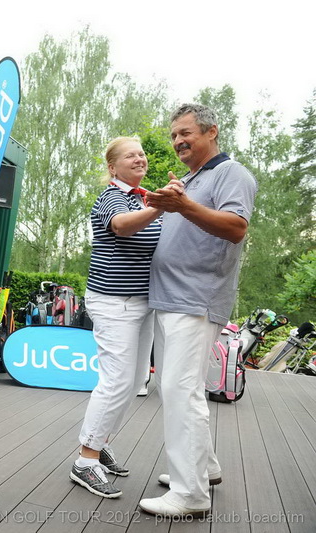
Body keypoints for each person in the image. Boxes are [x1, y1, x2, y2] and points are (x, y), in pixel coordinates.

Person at [138, 103, 257, 518]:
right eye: (174, 135)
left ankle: (190, 494)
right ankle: (204, 469)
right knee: (180, 387)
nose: (178, 141)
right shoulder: (191, 178)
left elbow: (236, 228)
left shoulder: (231, 173)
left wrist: (182, 206)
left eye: (185, 133)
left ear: (211, 132)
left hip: (195, 298)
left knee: (179, 389)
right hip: (172, 298)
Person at [69, 137, 163, 499]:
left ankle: (101, 440)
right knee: (117, 380)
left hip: (141, 302)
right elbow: (122, 226)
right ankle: (85, 459)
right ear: (113, 167)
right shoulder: (113, 196)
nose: (139, 158)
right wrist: (160, 207)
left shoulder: (142, 198)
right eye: (130, 155)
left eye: (141, 154)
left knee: (136, 378)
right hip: (114, 302)